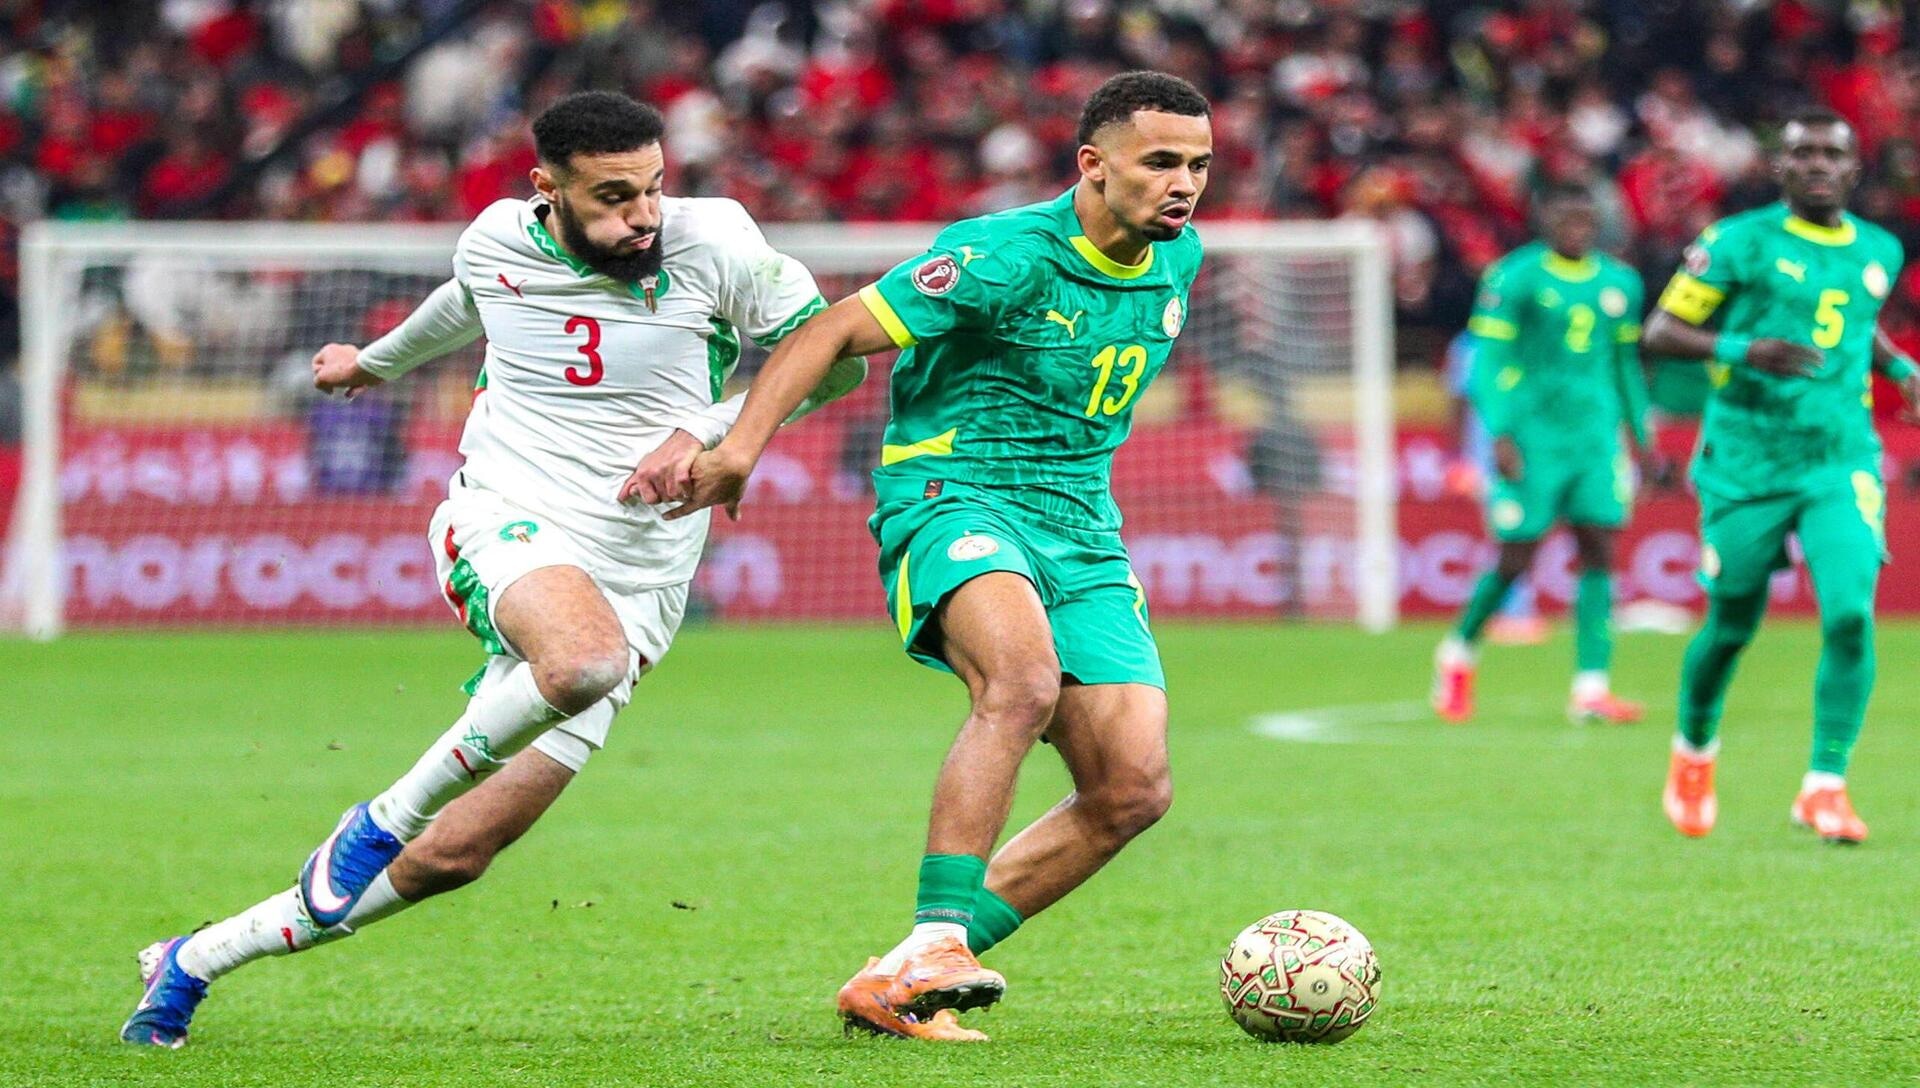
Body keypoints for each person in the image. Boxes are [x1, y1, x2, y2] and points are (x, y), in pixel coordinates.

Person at [120, 91, 864, 1047]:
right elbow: (465, 300)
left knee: (458, 855)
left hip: (643, 575)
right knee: (581, 662)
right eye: (613, 197)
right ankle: (382, 817)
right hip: (509, 515)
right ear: (547, 188)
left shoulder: (715, 241)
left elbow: (832, 360)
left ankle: (193, 960)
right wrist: (373, 365)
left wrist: (712, 431)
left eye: (652, 189)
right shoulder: (497, 240)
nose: (642, 216)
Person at [627, 70, 1211, 1041]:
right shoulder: (1001, 256)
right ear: (1093, 164)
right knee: (1020, 683)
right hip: (956, 494)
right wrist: (738, 449)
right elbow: (832, 330)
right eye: (1160, 162)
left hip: (1082, 528)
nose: (1183, 183)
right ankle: (941, 937)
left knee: (1132, 788)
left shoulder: (1178, 259)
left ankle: (899, 978)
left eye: (1198, 164)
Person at [1645, 107, 1920, 843]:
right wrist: (1742, 349)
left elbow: (1854, 319)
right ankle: (1693, 751)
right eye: (1804, 154)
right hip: (1746, 463)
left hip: (1839, 458)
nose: (1818, 165)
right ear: (1780, 167)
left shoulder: (1880, 249)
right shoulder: (1736, 242)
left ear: (1854, 167)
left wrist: (1899, 366)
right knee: (1732, 624)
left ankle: (1825, 785)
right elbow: (1661, 331)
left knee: (1851, 613)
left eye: (1832, 154)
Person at [1431, 185, 1655, 725]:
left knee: (1599, 547)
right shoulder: (1515, 277)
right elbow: (1489, 359)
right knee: (1518, 555)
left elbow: (1625, 365)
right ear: (1544, 220)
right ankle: (1458, 653)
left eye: (1585, 218)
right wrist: (1500, 433)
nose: (1577, 228)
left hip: (1595, 438)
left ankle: (1591, 688)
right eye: (1565, 217)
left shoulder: (1620, 283)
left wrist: (1642, 440)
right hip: (1534, 437)